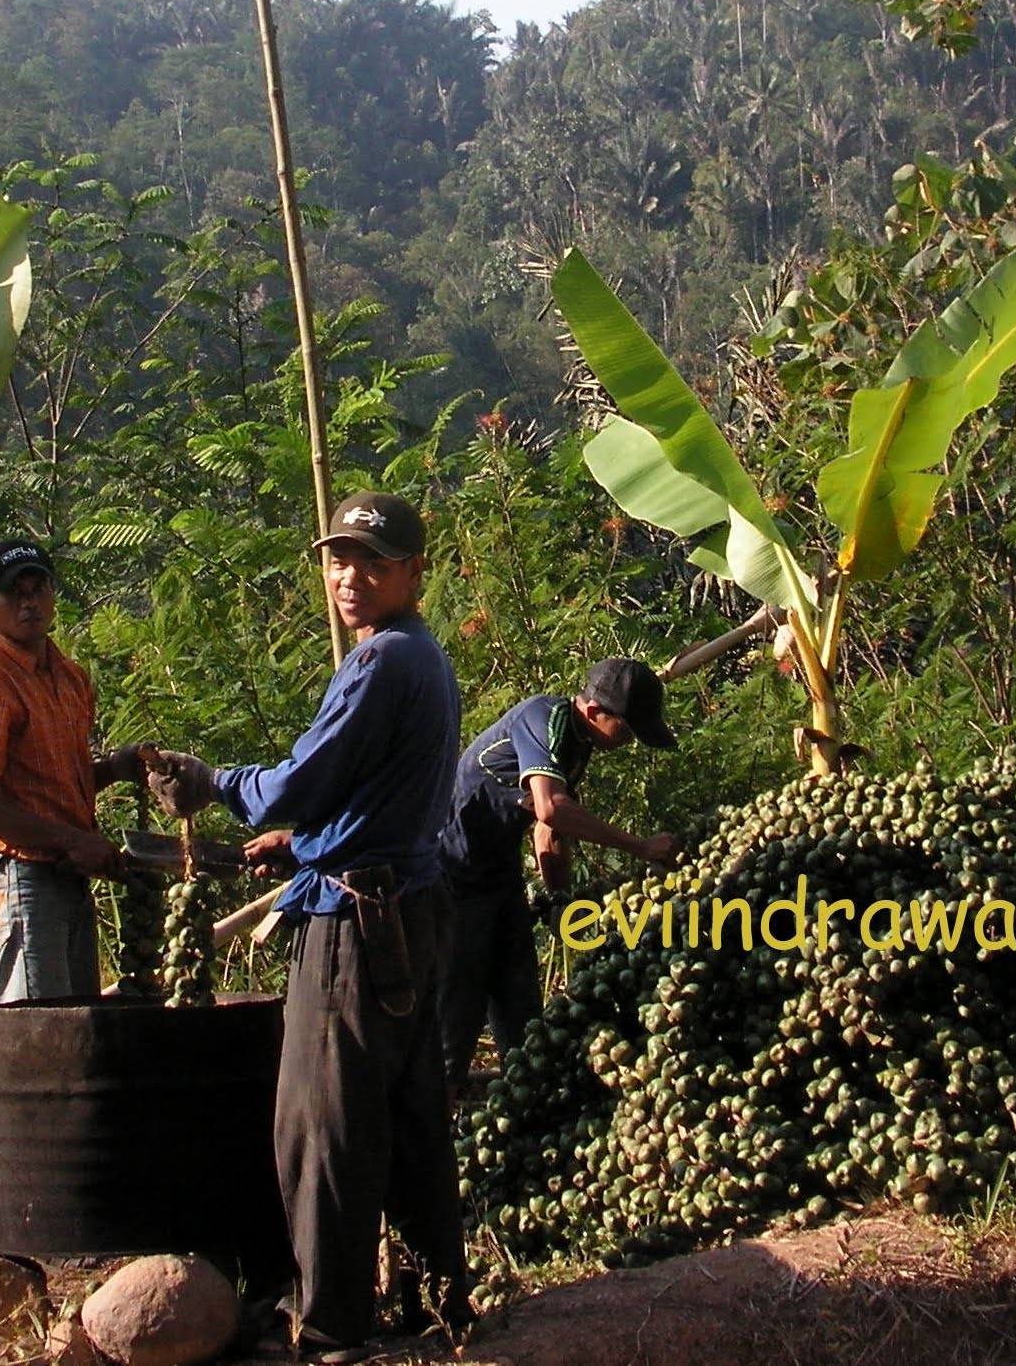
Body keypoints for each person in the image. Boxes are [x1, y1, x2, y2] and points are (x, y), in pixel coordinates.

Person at [144, 491, 469, 1363]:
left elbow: (300, 780)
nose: (349, 577)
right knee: (408, 1113)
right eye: (337, 559)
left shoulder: (380, 664)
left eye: (372, 562)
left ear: (411, 573)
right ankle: (442, 1296)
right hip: (409, 900)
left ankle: (327, 1324)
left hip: (358, 921)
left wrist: (217, 782)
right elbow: (373, 796)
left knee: (320, 1125)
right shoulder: (424, 659)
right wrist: (306, 842)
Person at [436, 658, 682, 1096]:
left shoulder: (578, 743)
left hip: (498, 876)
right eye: (625, 731)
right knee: (459, 1005)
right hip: (455, 876)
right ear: (592, 712)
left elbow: (546, 830)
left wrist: (560, 897)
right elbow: (552, 808)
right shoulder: (543, 717)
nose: (627, 743)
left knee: (522, 1011)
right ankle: (438, 1121)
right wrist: (640, 847)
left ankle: (524, 1105)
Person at [0, 538, 143, 1005]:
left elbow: (52, 784)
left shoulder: (68, 677)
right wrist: (73, 840)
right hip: (19, 876)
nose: (29, 603)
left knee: (76, 1031)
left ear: (52, 595)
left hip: (67, 874)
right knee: (40, 1034)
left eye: (38, 589)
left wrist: (115, 768)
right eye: (15, 594)